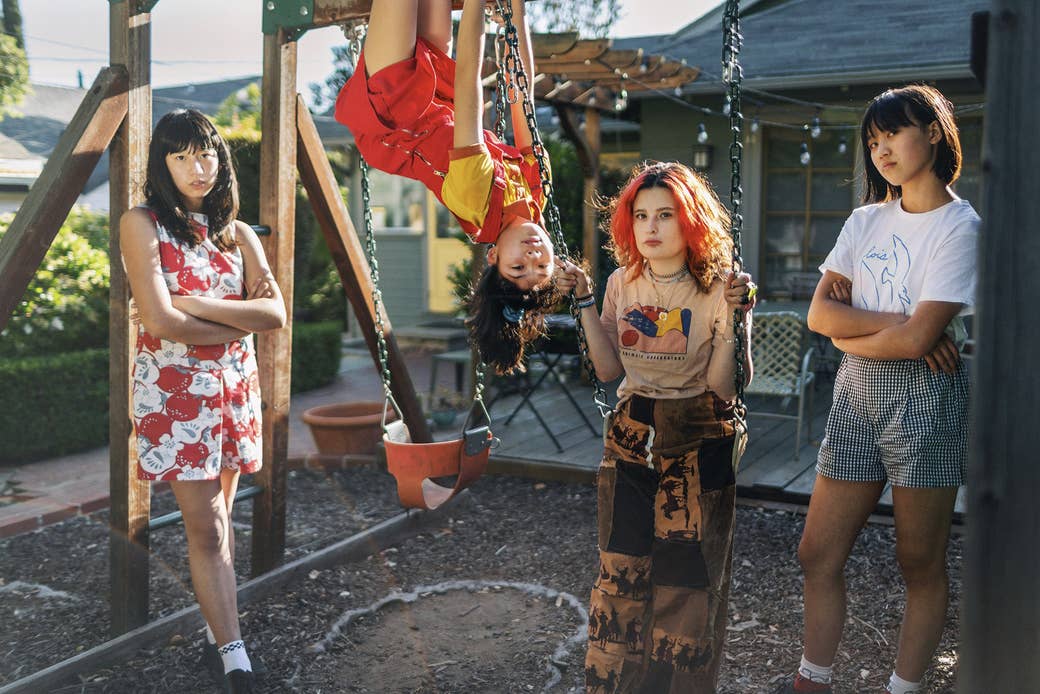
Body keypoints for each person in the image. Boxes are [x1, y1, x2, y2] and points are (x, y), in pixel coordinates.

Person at [770, 85, 978, 694]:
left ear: (935, 133)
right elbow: (819, 318)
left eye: (893, 133)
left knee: (918, 561)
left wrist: (860, 332)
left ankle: (904, 687)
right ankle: (814, 679)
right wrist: (897, 326)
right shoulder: (864, 221)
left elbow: (919, 347)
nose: (881, 149)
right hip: (856, 393)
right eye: (873, 141)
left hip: (927, 398)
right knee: (817, 552)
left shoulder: (960, 227)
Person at [556, 161, 755, 692]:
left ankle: (678, 685)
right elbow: (607, 369)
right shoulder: (623, 281)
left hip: (697, 434)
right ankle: (619, 683)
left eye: (665, 214)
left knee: (688, 576)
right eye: (640, 215)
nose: (651, 227)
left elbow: (724, 388)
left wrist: (737, 321)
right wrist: (583, 302)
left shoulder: (716, 288)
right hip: (632, 433)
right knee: (622, 569)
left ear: (690, 220)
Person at [120, 109, 286, 694]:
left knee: (224, 519)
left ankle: (222, 633)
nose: (198, 166)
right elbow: (162, 321)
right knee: (208, 530)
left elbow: (275, 316)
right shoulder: (142, 224)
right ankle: (233, 655)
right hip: (176, 402)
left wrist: (198, 304)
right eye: (182, 155)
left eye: (207, 152)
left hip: (232, 393)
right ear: (162, 164)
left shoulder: (237, 234)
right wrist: (228, 319)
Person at [336, 0, 560, 374]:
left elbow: (471, 83)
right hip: (436, 91)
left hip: (396, 111)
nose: (533, 256)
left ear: (493, 258)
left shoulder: (477, 202)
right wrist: (516, 14)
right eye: (541, 266)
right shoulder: (536, 192)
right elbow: (522, 96)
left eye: (518, 267)